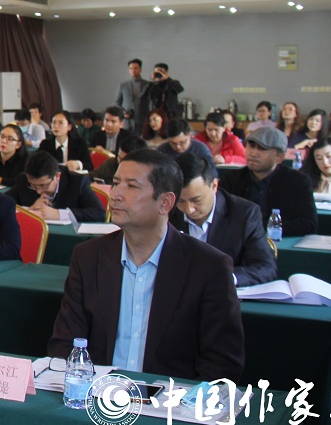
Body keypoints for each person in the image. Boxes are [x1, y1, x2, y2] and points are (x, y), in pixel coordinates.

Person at [48, 149, 244, 381]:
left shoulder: (209, 267)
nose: (115, 194)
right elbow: (65, 344)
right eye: (116, 183)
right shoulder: (88, 257)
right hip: (97, 394)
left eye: (132, 186)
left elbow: (222, 364)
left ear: (165, 202)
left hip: (170, 399)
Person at [169, 154, 276, 286]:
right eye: (180, 201)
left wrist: (226, 278)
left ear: (214, 186)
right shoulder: (166, 211)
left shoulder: (244, 214)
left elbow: (266, 267)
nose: (189, 209)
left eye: (196, 200)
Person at [219, 127, 318, 236]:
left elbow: (308, 223)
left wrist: (263, 227)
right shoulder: (231, 179)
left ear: (279, 157)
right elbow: (219, 216)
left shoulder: (298, 181)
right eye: (251, 146)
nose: (253, 153)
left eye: (262, 149)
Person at [10, 150, 106, 223]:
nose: (38, 191)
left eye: (43, 185)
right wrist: (29, 211)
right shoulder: (23, 180)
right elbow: (4, 203)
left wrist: (59, 214)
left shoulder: (77, 182)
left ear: (57, 176)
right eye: (33, 186)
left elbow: (99, 213)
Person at [115, 58, 151, 131]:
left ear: (140, 69)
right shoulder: (123, 85)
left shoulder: (148, 85)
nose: (133, 71)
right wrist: (123, 113)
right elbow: (116, 103)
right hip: (127, 122)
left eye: (135, 68)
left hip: (143, 121)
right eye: (131, 68)